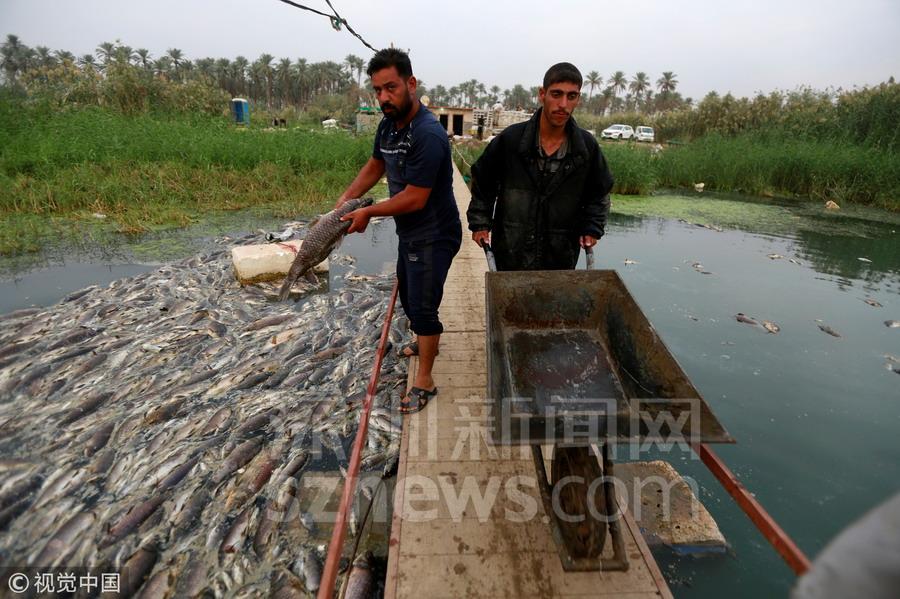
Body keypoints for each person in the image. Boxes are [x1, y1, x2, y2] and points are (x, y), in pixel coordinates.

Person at [337, 48, 462, 414]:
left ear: (411, 83)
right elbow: (376, 165)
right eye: (377, 90)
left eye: (390, 88)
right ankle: (425, 342)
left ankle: (425, 381)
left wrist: (367, 212)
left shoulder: (428, 134)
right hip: (411, 233)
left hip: (435, 233)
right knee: (409, 294)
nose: (383, 98)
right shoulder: (388, 125)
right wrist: (346, 200)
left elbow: (415, 198)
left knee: (423, 307)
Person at [466, 62, 614, 270]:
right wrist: (480, 222)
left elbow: (599, 192)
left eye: (571, 96)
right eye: (556, 94)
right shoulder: (511, 140)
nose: (563, 104)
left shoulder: (586, 148)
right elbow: (483, 181)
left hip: (560, 256)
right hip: (510, 250)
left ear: (578, 99)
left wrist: (592, 226)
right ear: (542, 94)